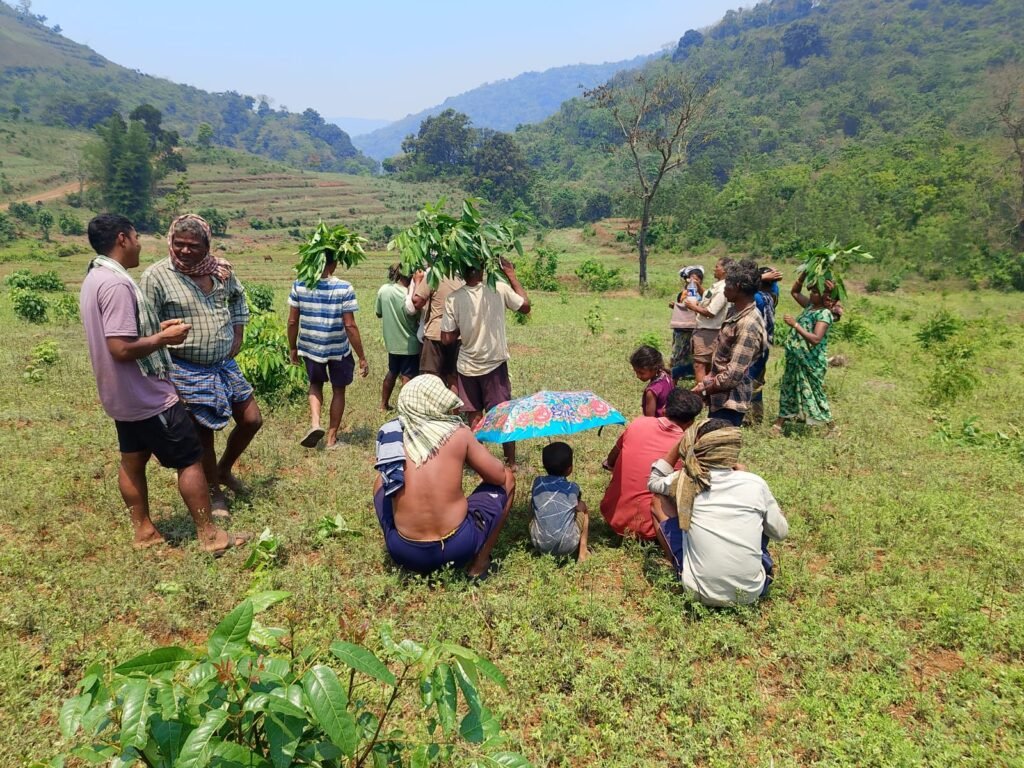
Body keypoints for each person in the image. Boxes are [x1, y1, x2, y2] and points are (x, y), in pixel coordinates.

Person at [81, 214, 247, 554]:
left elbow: (124, 334)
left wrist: (158, 330)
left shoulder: (94, 277)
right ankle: (210, 535)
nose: (141, 243)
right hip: (146, 393)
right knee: (191, 458)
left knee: (132, 459)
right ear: (123, 239)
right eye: (137, 236)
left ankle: (144, 532)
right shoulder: (118, 284)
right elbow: (121, 347)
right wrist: (165, 338)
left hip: (120, 395)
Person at [141, 214, 262, 515]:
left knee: (251, 420)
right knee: (203, 433)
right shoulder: (157, 276)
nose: (184, 251)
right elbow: (145, 324)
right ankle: (213, 491)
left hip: (223, 364)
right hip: (185, 367)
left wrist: (238, 330)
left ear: (207, 245)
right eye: (178, 244)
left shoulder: (220, 270)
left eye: (193, 245)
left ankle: (223, 470)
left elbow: (237, 299)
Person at [372, 375, 515, 578]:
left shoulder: (391, 435)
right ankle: (480, 563)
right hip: (458, 547)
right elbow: (499, 477)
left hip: (404, 552)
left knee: (380, 481)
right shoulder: (458, 433)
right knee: (509, 477)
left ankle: (405, 550)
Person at [647, 418, 788, 606]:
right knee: (759, 518)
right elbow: (780, 533)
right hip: (751, 593)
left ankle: (681, 565)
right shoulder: (755, 483)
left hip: (696, 590)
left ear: (697, 445)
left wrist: (678, 444)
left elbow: (654, 482)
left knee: (659, 500)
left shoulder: (686, 479)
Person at [440, 258, 530, 468]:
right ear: (483, 270)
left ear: (462, 272)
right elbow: (525, 307)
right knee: (503, 414)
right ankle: (510, 463)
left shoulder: (454, 298)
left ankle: (477, 462)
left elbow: (446, 339)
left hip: (467, 366)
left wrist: (464, 327)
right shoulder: (498, 289)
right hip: (494, 364)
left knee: (474, 416)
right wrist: (511, 274)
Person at [287, 250, 368, 449]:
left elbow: (292, 320)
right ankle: (331, 439)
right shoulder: (344, 287)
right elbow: (350, 325)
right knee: (338, 390)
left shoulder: (300, 284)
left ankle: (315, 424)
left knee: (315, 384)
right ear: (334, 264)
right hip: (338, 348)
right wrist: (362, 357)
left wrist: (292, 347)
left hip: (310, 345)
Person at [599, 389, 704, 541]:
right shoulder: (689, 447)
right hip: (654, 530)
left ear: (665, 409)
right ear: (691, 423)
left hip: (612, 516)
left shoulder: (637, 423)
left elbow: (610, 460)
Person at [692, 261, 767, 427]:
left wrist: (704, 389)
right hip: (719, 396)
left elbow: (732, 375)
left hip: (731, 400)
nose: (724, 288)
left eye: (727, 285)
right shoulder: (734, 311)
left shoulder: (748, 324)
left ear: (738, 287)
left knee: (719, 446)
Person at [772, 272, 836, 433]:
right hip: (796, 360)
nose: (811, 295)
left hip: (810, 362)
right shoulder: (809, 307)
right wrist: (803, 276)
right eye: (812, 291)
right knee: (788, 388)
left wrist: (795, 325)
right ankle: (779, 424)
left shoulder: (824, 314)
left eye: (815, 292)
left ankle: (832, 428)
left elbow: (815, 339)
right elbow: (794, 292)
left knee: (814, 393)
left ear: (824, 297)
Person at [529, 442, 589, 562]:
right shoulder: (572, 487)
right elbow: (576, 504)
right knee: (583, 506)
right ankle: (583, 552)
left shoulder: (538, 482)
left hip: (539, 543)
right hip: (568, 545)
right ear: (570, 469)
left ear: (544, 466)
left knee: (533, 503)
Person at [375, 263, 421, 411]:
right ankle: (406, 409)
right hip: (410, 344)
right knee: (408, 376)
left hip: (392, 343)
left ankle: (383, 404)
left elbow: (378, 313)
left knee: (392, 372)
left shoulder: (384, 290)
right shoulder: (411, 296)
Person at [412, 269, 464, 389]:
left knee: (430, 377)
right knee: (453, 377)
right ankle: (453, 407)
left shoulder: (434, 275)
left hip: (436, 333)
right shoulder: (460, 277)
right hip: (456, 333)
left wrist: (418, 282)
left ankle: (433, 407)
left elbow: (417, 302)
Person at [685, 257, 733, 383]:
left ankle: (702, 395)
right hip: (705, 330)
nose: (714, 269)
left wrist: (693, 307)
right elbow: (708, 295)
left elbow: (711, 312)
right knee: (704, 364)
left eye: (717, 267)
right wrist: (698, 286)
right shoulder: (718, 286)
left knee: (700, 365)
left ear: (724, 270)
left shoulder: (723, 289)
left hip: (709, 331)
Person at [746, 265, 782, 424]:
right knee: (757, 380)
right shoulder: (772, 296)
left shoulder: (757, 298)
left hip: (754, 345)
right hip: (765, 346)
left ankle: (747, 416)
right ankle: (757, 416)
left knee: (747, 379)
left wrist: (760, 278)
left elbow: (745, 286)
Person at [668, 266, 703, 383]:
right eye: (690, 278)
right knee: (677, 355)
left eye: (695, 279)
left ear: (700, 281)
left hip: (695, 329)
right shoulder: (684, 293)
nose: (692, 281)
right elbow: (681, 307)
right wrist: (676, 305)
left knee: (692, 356)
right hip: (681, 329)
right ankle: (672, 381)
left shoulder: (704, 294)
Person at [630, 345, 673, 418]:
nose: (638, 376)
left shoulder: (652, 391)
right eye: (636, 372)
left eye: (641, 373)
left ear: (654, 368)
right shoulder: (666, 376)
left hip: (658, 427)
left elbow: (650, 420)